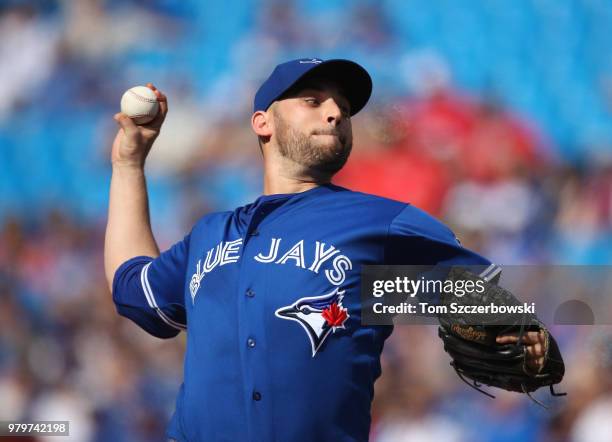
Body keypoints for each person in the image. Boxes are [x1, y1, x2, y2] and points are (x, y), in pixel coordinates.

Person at [105, 58, 549, 442]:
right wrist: (128, 164)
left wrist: (520, 336)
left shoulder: (380, 222)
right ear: (263, 122)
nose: (336, 112)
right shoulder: (210, 234)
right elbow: (133, 290)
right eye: (313, 101)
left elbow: (493, 300)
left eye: (344, 107)